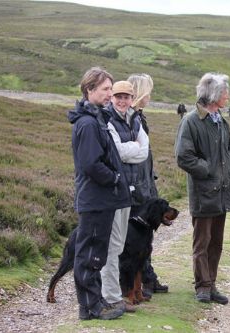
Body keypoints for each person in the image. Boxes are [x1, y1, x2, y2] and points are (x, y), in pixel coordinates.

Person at [68, 67, 130, 320]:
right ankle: (90, 307)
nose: (110, 94)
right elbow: (90, 164)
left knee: (97, 253)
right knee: (89, 255)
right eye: (105, 89)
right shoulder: (87, 123)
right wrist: (114, 177)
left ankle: (95, 302)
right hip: (94, 199)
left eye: (110, 88)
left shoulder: (97, 119)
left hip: (101, 199)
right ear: (89, 90)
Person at [175, 72, 230, 304]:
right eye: (225, 92)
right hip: (203, 193)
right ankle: (202, 286)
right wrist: (210, 170)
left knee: (217, 242)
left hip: (222, 192)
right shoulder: (191, 121)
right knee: (201, 242)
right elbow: (183, 156)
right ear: (213, 95)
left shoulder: (222, 121)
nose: (228, 96)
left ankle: (211, 284)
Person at [102, 80, 149, 313]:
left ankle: (113, 294)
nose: (122, 101)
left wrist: (129, 148)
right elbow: (117, 151)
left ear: (132, 99)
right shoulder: (108, 118)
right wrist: (133, 147)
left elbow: (144, 151)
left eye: (126, 97)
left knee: (119, 245)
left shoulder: (135, 119)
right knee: (111, 246)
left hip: (128, 189)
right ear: (112, 97)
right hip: (114, 190)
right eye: (118, 96)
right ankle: (108, 296)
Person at [127, 73, 170, 297]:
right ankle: (142, 280)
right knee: (140, 236)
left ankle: (148, 277)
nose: (150, 96)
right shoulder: (132, 118)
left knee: (146, 236)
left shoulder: (138, 117)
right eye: (148, 91)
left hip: (145, 183)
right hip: (138, 186)